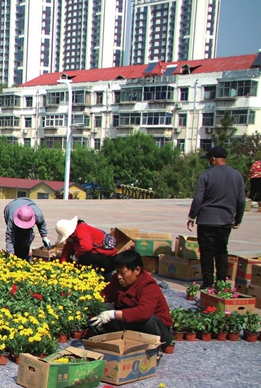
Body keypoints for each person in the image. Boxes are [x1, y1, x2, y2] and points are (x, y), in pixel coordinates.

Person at [186, 145, 245, 288]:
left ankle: (207, 283)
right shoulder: (237, 175)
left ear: (213, 159)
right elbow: (241, 200)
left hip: (207, 220)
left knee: (206, 253)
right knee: (222, 251)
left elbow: (199, 198)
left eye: (208, 159)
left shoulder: (206, 175)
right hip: (226, 221)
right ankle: (221, 282)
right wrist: (238, 218)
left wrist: (192, 216)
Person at [88, 250, 173, 346]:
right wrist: (91, 308)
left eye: (123, 273)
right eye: (117, 272)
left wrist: (113, 314)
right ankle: (116, 341)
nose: (119, 276)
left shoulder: (148, 285)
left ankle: (154, 348)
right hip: (131, 326)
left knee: (148, 319)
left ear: (137, 270)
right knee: (105, 307)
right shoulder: (117, 280)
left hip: (159, 332)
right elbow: (104, 296)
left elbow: (144, 312)